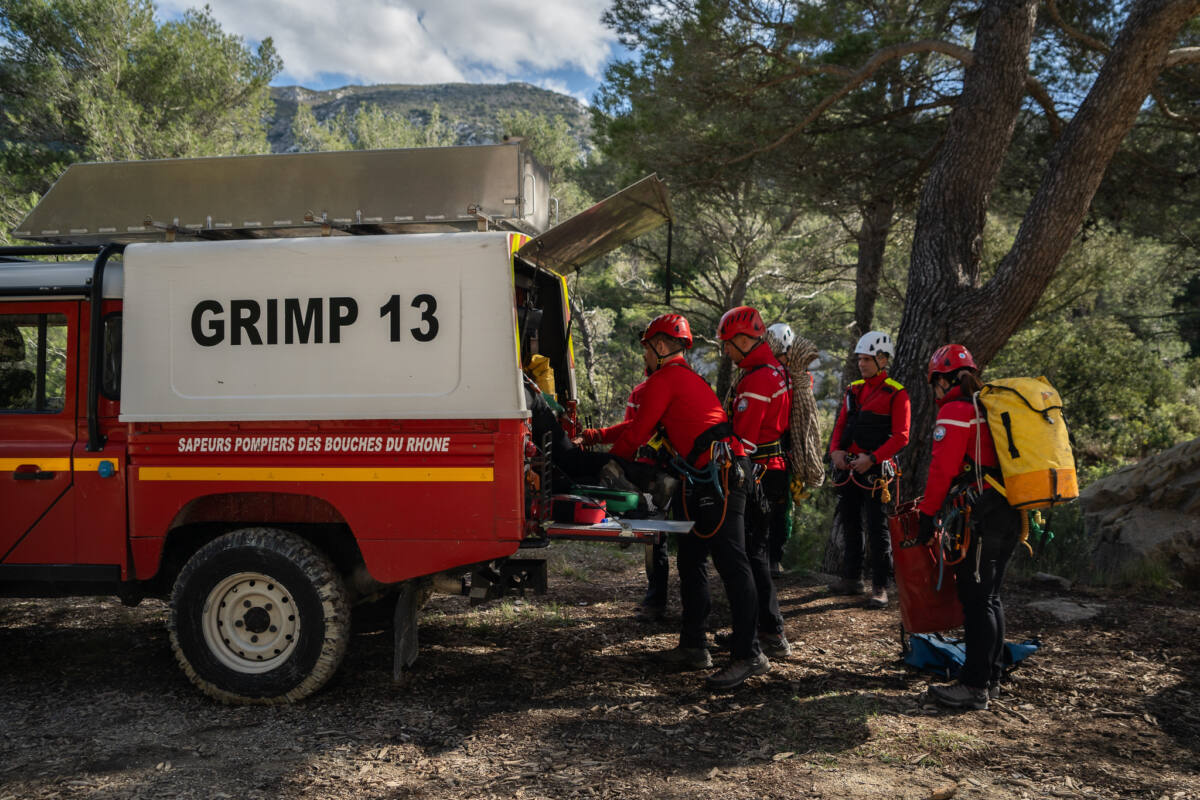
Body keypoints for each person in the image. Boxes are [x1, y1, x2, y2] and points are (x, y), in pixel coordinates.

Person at [610, 313, 769, 690]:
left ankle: (749, 654)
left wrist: (605, 465)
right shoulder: (681, 378)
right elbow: (638, 428)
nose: (645, 356)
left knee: (733, 564)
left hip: (721, 477)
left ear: (660, 346)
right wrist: (595, 436)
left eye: (647, 348)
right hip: (706, 477)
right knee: (691, 558)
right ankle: (694, 646)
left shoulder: (665, 380)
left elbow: (637, 434)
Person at [918, 344, 1022, 711]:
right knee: (990, 597)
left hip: (980, 515)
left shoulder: (956, 411)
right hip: (1010, 508)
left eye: (935, 383)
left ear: (943, 380)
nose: (935, 391)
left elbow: (942, 470)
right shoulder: (988, 408)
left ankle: (974, 686)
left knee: (977, 600)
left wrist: (926, 514)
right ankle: (990, 678)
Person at [717, 306, 791, 658]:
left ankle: (770, 632)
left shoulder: (758, 379)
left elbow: (744, 440)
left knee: (752, 554)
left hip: (759, 472)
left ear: (745, 341)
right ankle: (763, 628)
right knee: (755, 552)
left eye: (728, 344)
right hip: (769, 469)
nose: (726, 351)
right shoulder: (772, 370)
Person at [578, 379, 675, 623]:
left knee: (657, 539)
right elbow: (631, 427)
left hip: (660, 474)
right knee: (654, 538)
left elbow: (634, 429)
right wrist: (600, 440)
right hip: (642, 473)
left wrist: (610, 457)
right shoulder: (641, 391)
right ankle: (656, 601)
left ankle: (656, 602)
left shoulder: (666, 389)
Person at [828, 330, 910, 608]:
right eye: (860, 359)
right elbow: (841, 424)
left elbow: (901, 436)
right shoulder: (853, 390)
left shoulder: (896, 393)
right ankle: (852, 578)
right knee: (850, 524)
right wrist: (835, 451)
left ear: (883, 360)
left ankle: (880, 587)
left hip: (876, 472)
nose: (861, 364)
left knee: (877, 529)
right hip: (849, 467)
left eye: (867, 359)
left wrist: (872, 459)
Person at [763, 322, 796, 575]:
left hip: (780, 451)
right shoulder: (793, 377)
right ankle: (771, 558)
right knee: (776, 508)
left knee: (778, 507)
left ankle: (772, 557)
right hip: (778, 451)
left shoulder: (793, 377)